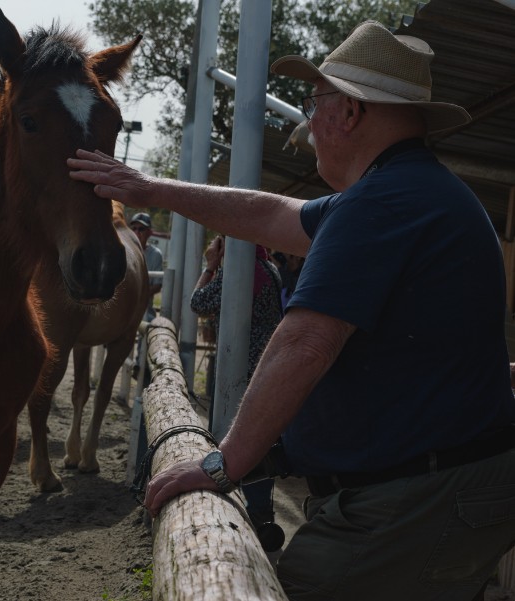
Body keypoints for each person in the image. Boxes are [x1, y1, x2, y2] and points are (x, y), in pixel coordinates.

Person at [68, 20, 515, 600]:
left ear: (350, 112)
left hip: (411, 498)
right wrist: (151, 188)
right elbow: (271, 213)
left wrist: (223, 463)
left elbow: (305, 342)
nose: (310, 121)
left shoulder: (384, 203)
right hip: (432, 485)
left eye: (316, 101)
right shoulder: (408, 193)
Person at [191, 234, 283, 544]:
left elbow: (198, 302)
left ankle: (227, 507)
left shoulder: (240, 273)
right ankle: (261, 514)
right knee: (260, 442)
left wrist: (210, 266)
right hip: (265, 371)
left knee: (230, 440)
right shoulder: (269, 269)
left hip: (239, 372)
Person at [129, 212, 163, 324]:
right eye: (133, 228)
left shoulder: (156, 254)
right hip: (121, 307)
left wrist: (136, 296)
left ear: (150, 232)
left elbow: (157, 286)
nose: (136, 232)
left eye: (141, 229)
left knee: (149, 326)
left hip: (144, 308)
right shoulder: (123, 251)